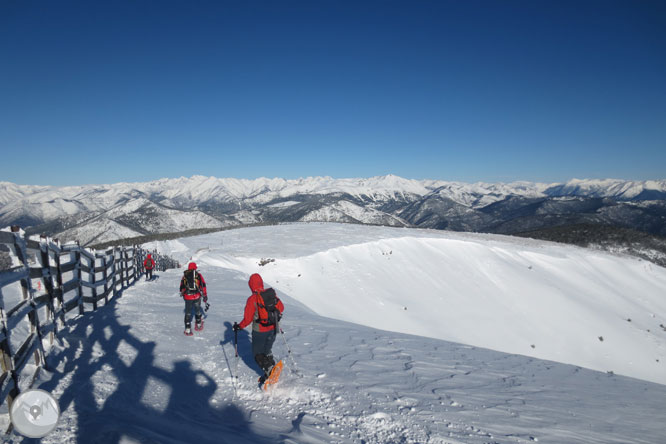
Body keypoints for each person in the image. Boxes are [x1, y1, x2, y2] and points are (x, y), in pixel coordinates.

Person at [233, 273, 284, 383]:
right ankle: (270, 371)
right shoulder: (270, 295)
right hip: (273, 329)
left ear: (251, 285)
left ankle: (270, 371)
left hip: (260, 331)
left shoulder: (253, 299)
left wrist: (239, 327)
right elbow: (281, 307)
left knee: (257, 354)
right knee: (267, 350)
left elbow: (247, 319)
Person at [179, 262, 208, 335]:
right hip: (197, 296)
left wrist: (183, 294)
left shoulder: (185, 276)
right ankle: (198, 324)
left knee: (188, 312)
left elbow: (181, 287)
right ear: (195, 267)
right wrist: (205, 295)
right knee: (197, 310)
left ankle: (188, 329)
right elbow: (203, 285)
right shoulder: (198, 275)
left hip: (187, 296)